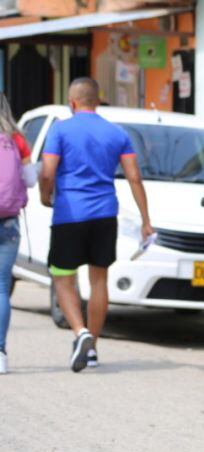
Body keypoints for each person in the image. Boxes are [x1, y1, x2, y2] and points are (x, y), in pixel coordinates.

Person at [38, 77, 152, 372]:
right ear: (97, 101)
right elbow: (134, 178)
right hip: (104, 215)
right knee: (98, 280)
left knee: (63, 278)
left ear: (72, 102)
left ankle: (80, 332)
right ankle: (92, 351)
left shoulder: (60, 129)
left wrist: (44, 196)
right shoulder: (117, 133)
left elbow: (48, 172)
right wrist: (146, 221)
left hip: (69, 215)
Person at [0, 92, 33, 375]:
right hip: (9, 222)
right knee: (1, 289)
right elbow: (31, 179)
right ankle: (0, 353)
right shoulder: (18, 139)